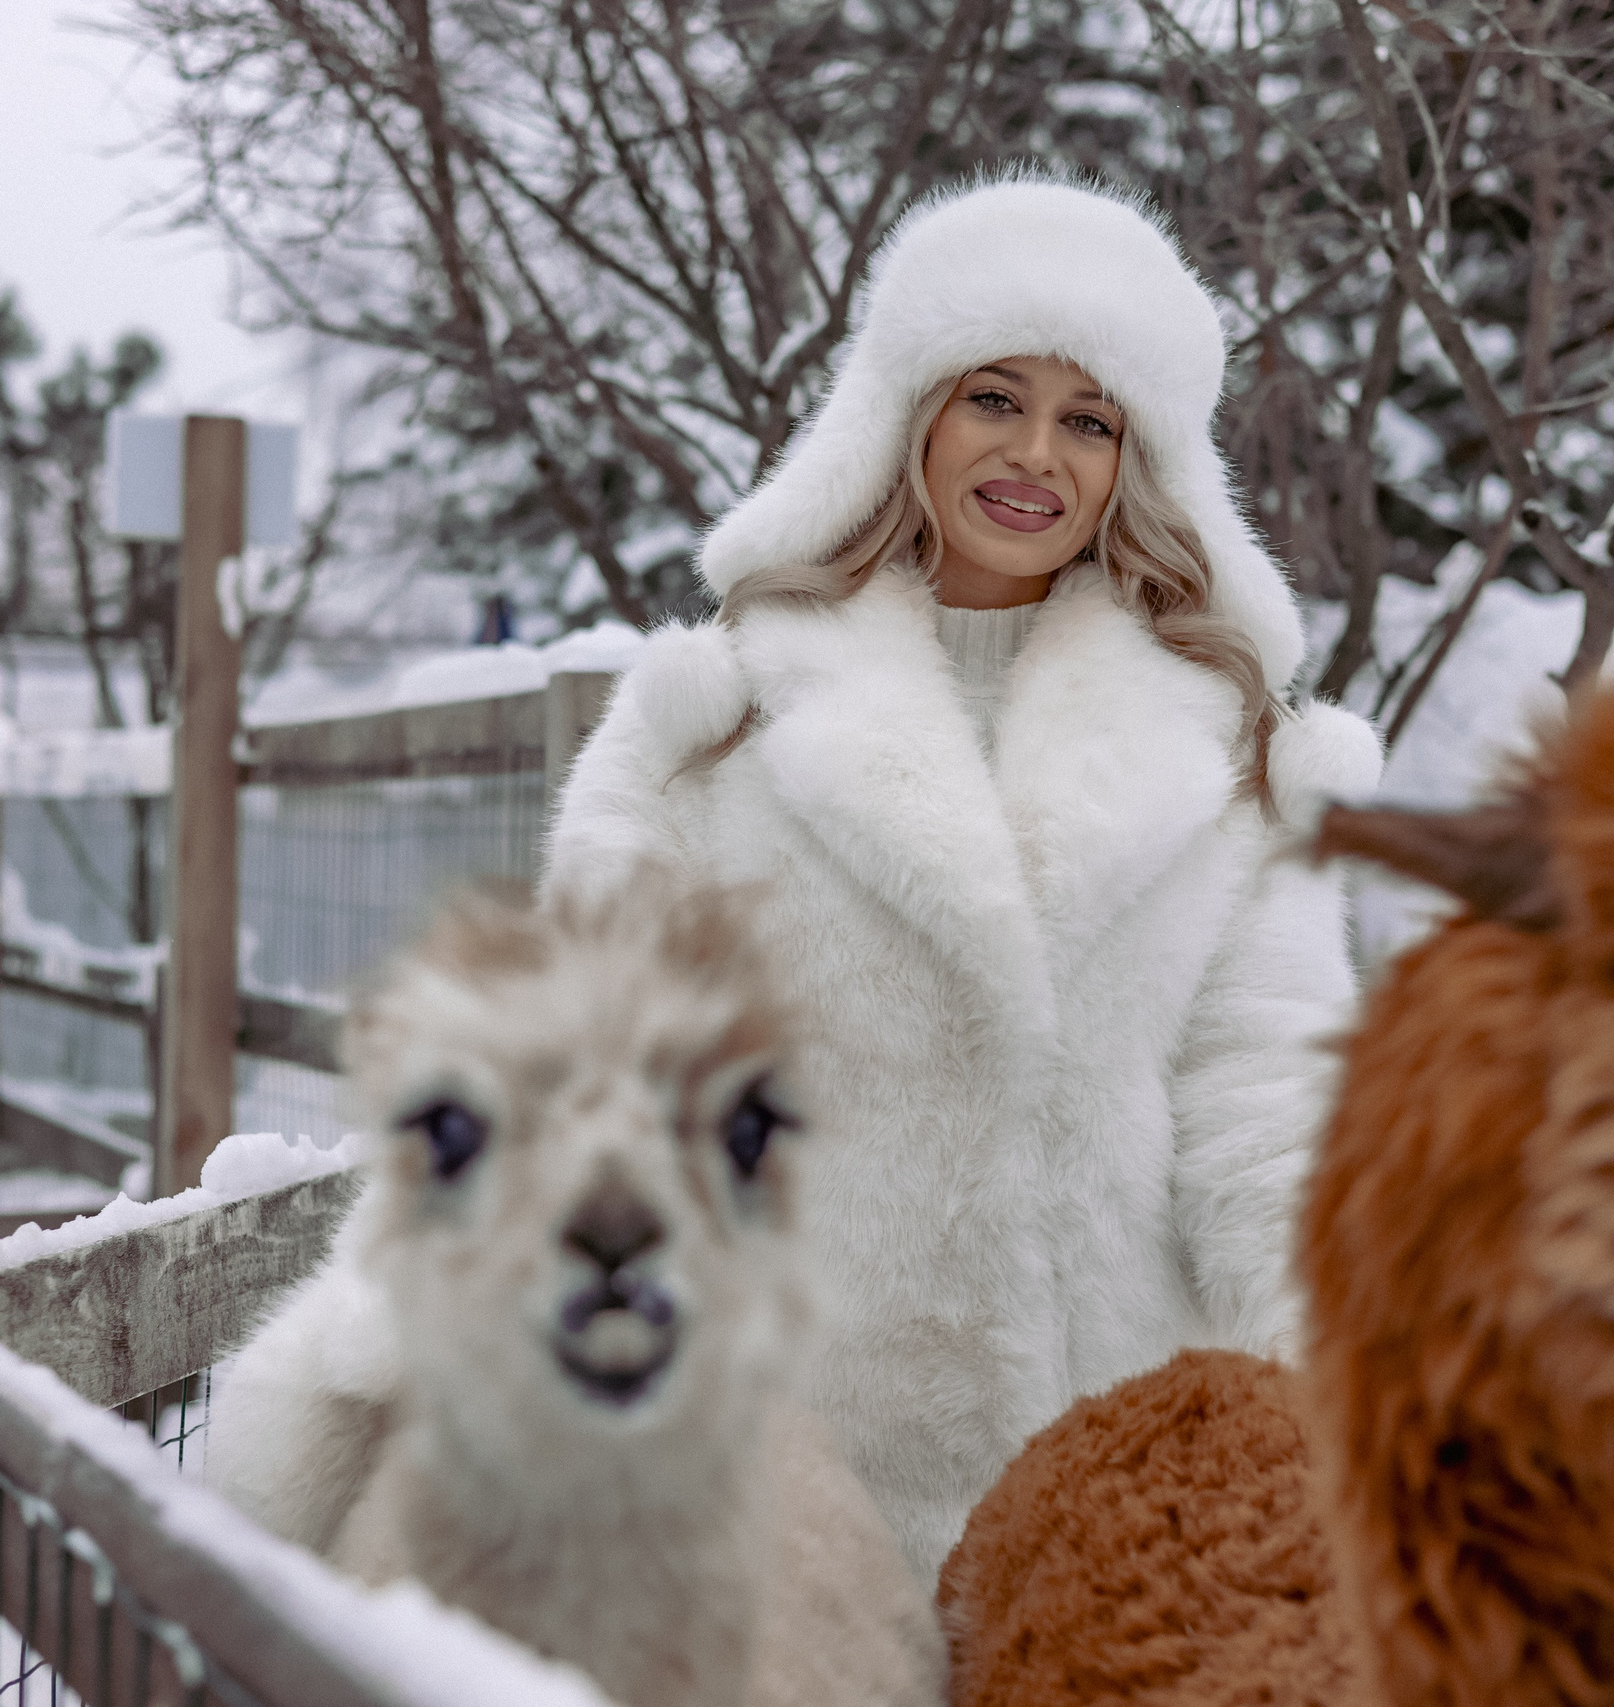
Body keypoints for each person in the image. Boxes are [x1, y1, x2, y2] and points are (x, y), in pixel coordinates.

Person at [544, 174, 1381, 1580]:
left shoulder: (1229, 748)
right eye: (995, 397)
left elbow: (1266, 1102)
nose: (1037, 454)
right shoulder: (719, 714)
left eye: (1089, 419)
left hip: (1116, 1480)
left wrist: (1310, 1399)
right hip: (797, 1467)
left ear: (1141, 459)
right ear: (908, 408)